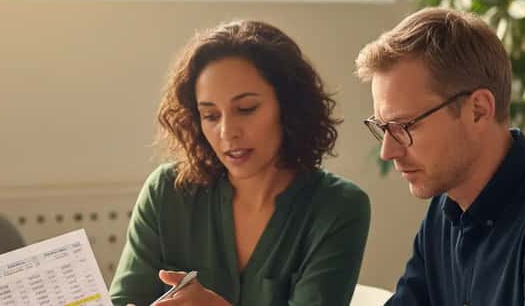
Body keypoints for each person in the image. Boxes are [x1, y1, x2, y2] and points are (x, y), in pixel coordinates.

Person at [109, 20, 371, 306]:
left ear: (289, 106)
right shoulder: (166, 192)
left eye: (246, 109)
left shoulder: (338, 207)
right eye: (210, 116)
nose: (227, 132)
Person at [355, 7, 525, 305]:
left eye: (405, 126)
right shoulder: (443, 211)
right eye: (383, 127)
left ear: (479, 110)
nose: (387, 151)